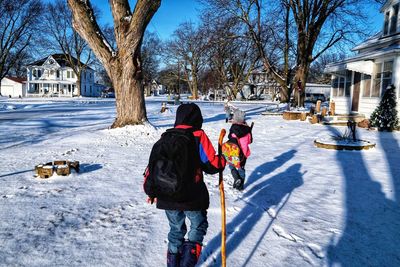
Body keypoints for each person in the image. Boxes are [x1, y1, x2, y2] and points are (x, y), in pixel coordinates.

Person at [149, 103, 226, 267]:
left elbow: (153, 168)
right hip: (192, 196)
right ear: (197, 119)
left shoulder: (166, 137)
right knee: (198, 225)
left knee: (176, 229)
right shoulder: (198, 135)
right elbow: (211, 164)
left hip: (167, 195)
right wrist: (222, 160)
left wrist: (151, 192)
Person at [227, 109, 253, 190]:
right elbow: (250, 141)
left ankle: (236, 178)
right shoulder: (247, 130)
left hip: (233, 152)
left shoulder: (233, 129)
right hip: (243, 154)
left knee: (231, 165)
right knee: (241, 168)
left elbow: (229, 138)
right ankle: (240, 185)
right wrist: (249, 131)